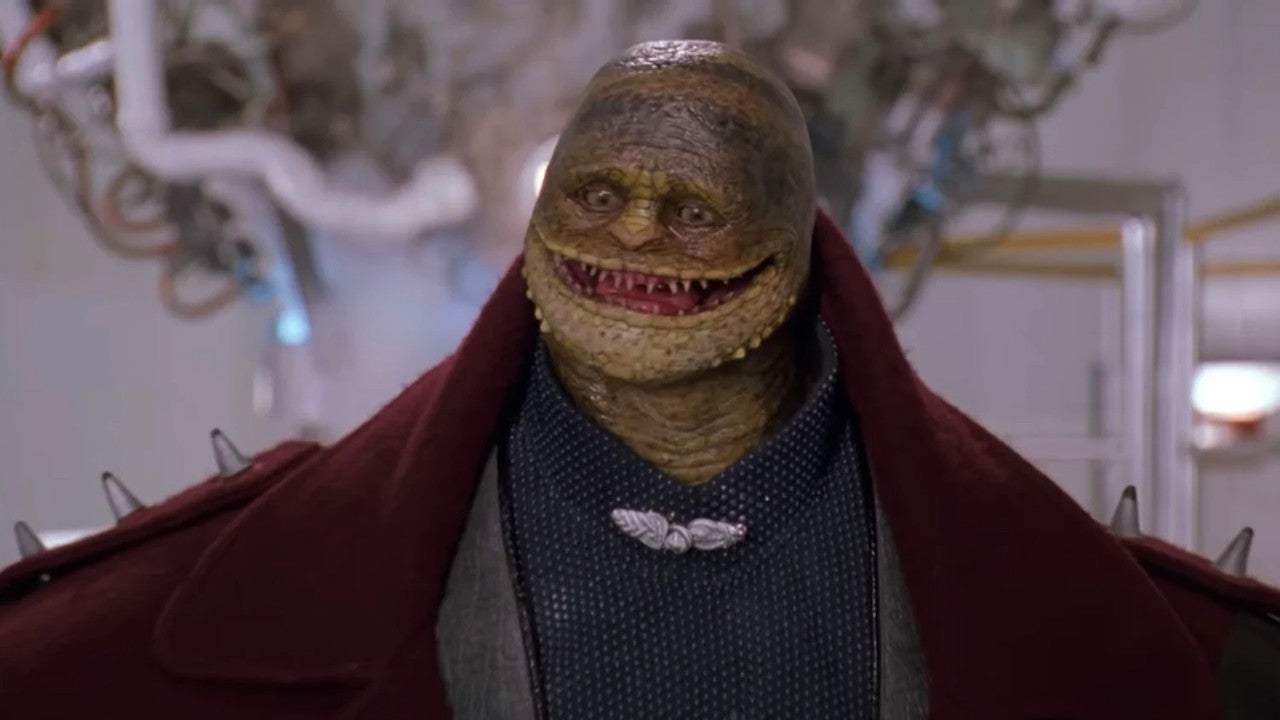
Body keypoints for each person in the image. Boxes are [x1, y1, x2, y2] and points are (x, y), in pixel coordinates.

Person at [2, 40, 1278, 720]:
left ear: (799, 242)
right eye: (599, 196)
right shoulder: (85, 664)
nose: (635, 240)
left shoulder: (1206, 673)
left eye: (693, 206)